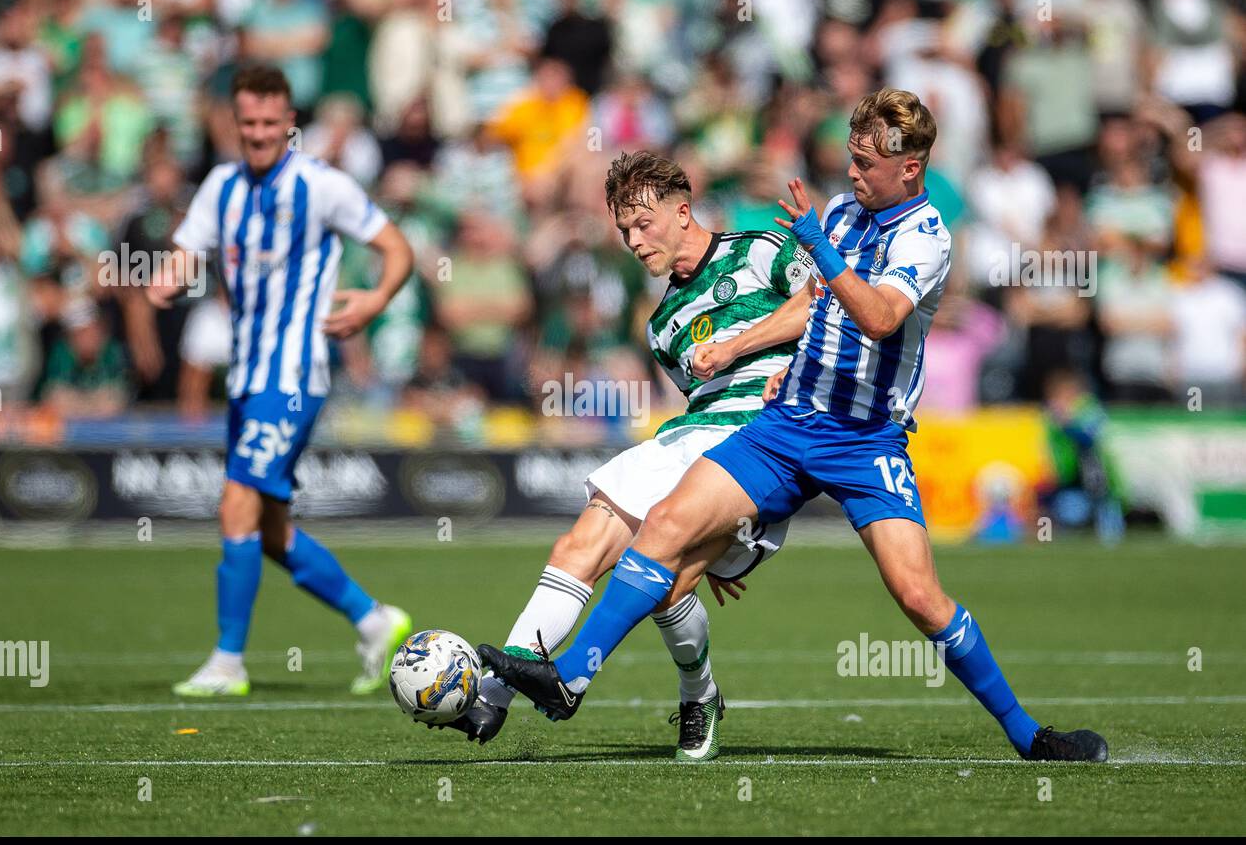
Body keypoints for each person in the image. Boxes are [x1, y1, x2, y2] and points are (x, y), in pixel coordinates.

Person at [480, 88, 1109, 763]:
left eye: (867, 164)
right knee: (664, 529)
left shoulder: (925, 237)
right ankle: (570, 678)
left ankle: (1027, 734)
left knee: (921, 598)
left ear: (911, 170)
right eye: (853, 158)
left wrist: (815, 246)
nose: (855, 173)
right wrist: (772, 355)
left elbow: (876, 317)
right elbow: (814, 303)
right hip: (786, 422)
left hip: (865, 440)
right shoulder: (843, 210)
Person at [439, 151, 815, 761]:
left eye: (644, 225)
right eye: (624, 232)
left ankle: (688, 695)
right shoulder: (663, 323)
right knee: (578, 550)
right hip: (692, 437)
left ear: (682, 210)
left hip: (765, 439)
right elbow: (699, 399)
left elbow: (822, 302)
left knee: (666, 584)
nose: (635, 243)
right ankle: (492, 698)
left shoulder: (763, 250)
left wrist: (735, 348)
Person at [147, 65, 415, 697]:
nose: (261, 134)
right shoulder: (221, 186)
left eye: (272, 123)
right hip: (245, 374)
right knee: (267, 527)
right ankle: (375, 619)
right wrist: (166, 275)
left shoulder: (323, 187)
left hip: (293, 374)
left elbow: (397, 248)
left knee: (235, 501)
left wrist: (374, 303)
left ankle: (227, 662)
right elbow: (188, 245)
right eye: (249, 124)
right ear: (235, 124)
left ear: (290, 123)